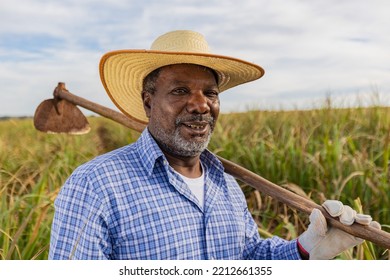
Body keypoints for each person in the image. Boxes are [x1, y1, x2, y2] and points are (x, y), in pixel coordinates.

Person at [49, 30, 380, 260]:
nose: (200, 105)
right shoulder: (94, 186)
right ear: (148, 102)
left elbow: (248, 259)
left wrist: (310, 247)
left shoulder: (225, 184)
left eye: (210, 93)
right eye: (180, 91)